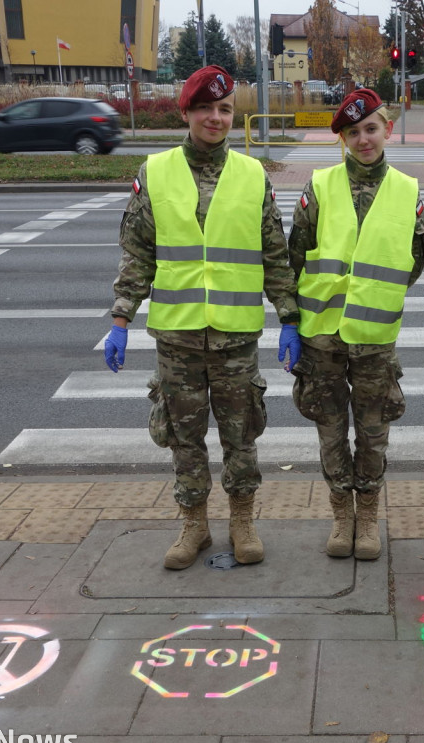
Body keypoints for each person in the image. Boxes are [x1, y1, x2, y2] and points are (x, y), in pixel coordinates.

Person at [103, 65, 302, 570]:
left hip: (236, 337)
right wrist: (121, 319)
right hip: (178, 336)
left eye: (225, 109)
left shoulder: (253, 174)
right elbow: (137, 252)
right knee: (183, 437)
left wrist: (290, 316)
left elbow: (274, 254)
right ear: (187, 112)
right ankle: (194, 525)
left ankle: (242, 522)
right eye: (206, 109)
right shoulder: (156, 171)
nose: (216, 118)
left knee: (242, 436)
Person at [288, 88, 424, 560]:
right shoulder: (320, 186)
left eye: (371, 128)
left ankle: (367, 514)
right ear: (343, 139)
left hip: (374, 338)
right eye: (353, 132)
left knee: (372, 433)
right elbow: (295, 253)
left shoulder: (408, 191)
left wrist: (375, 294)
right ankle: (341, 515)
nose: (363, 139)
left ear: (387, 129)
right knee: (330, 432)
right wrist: (291, 322)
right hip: (322, 336)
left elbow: (416, 260)